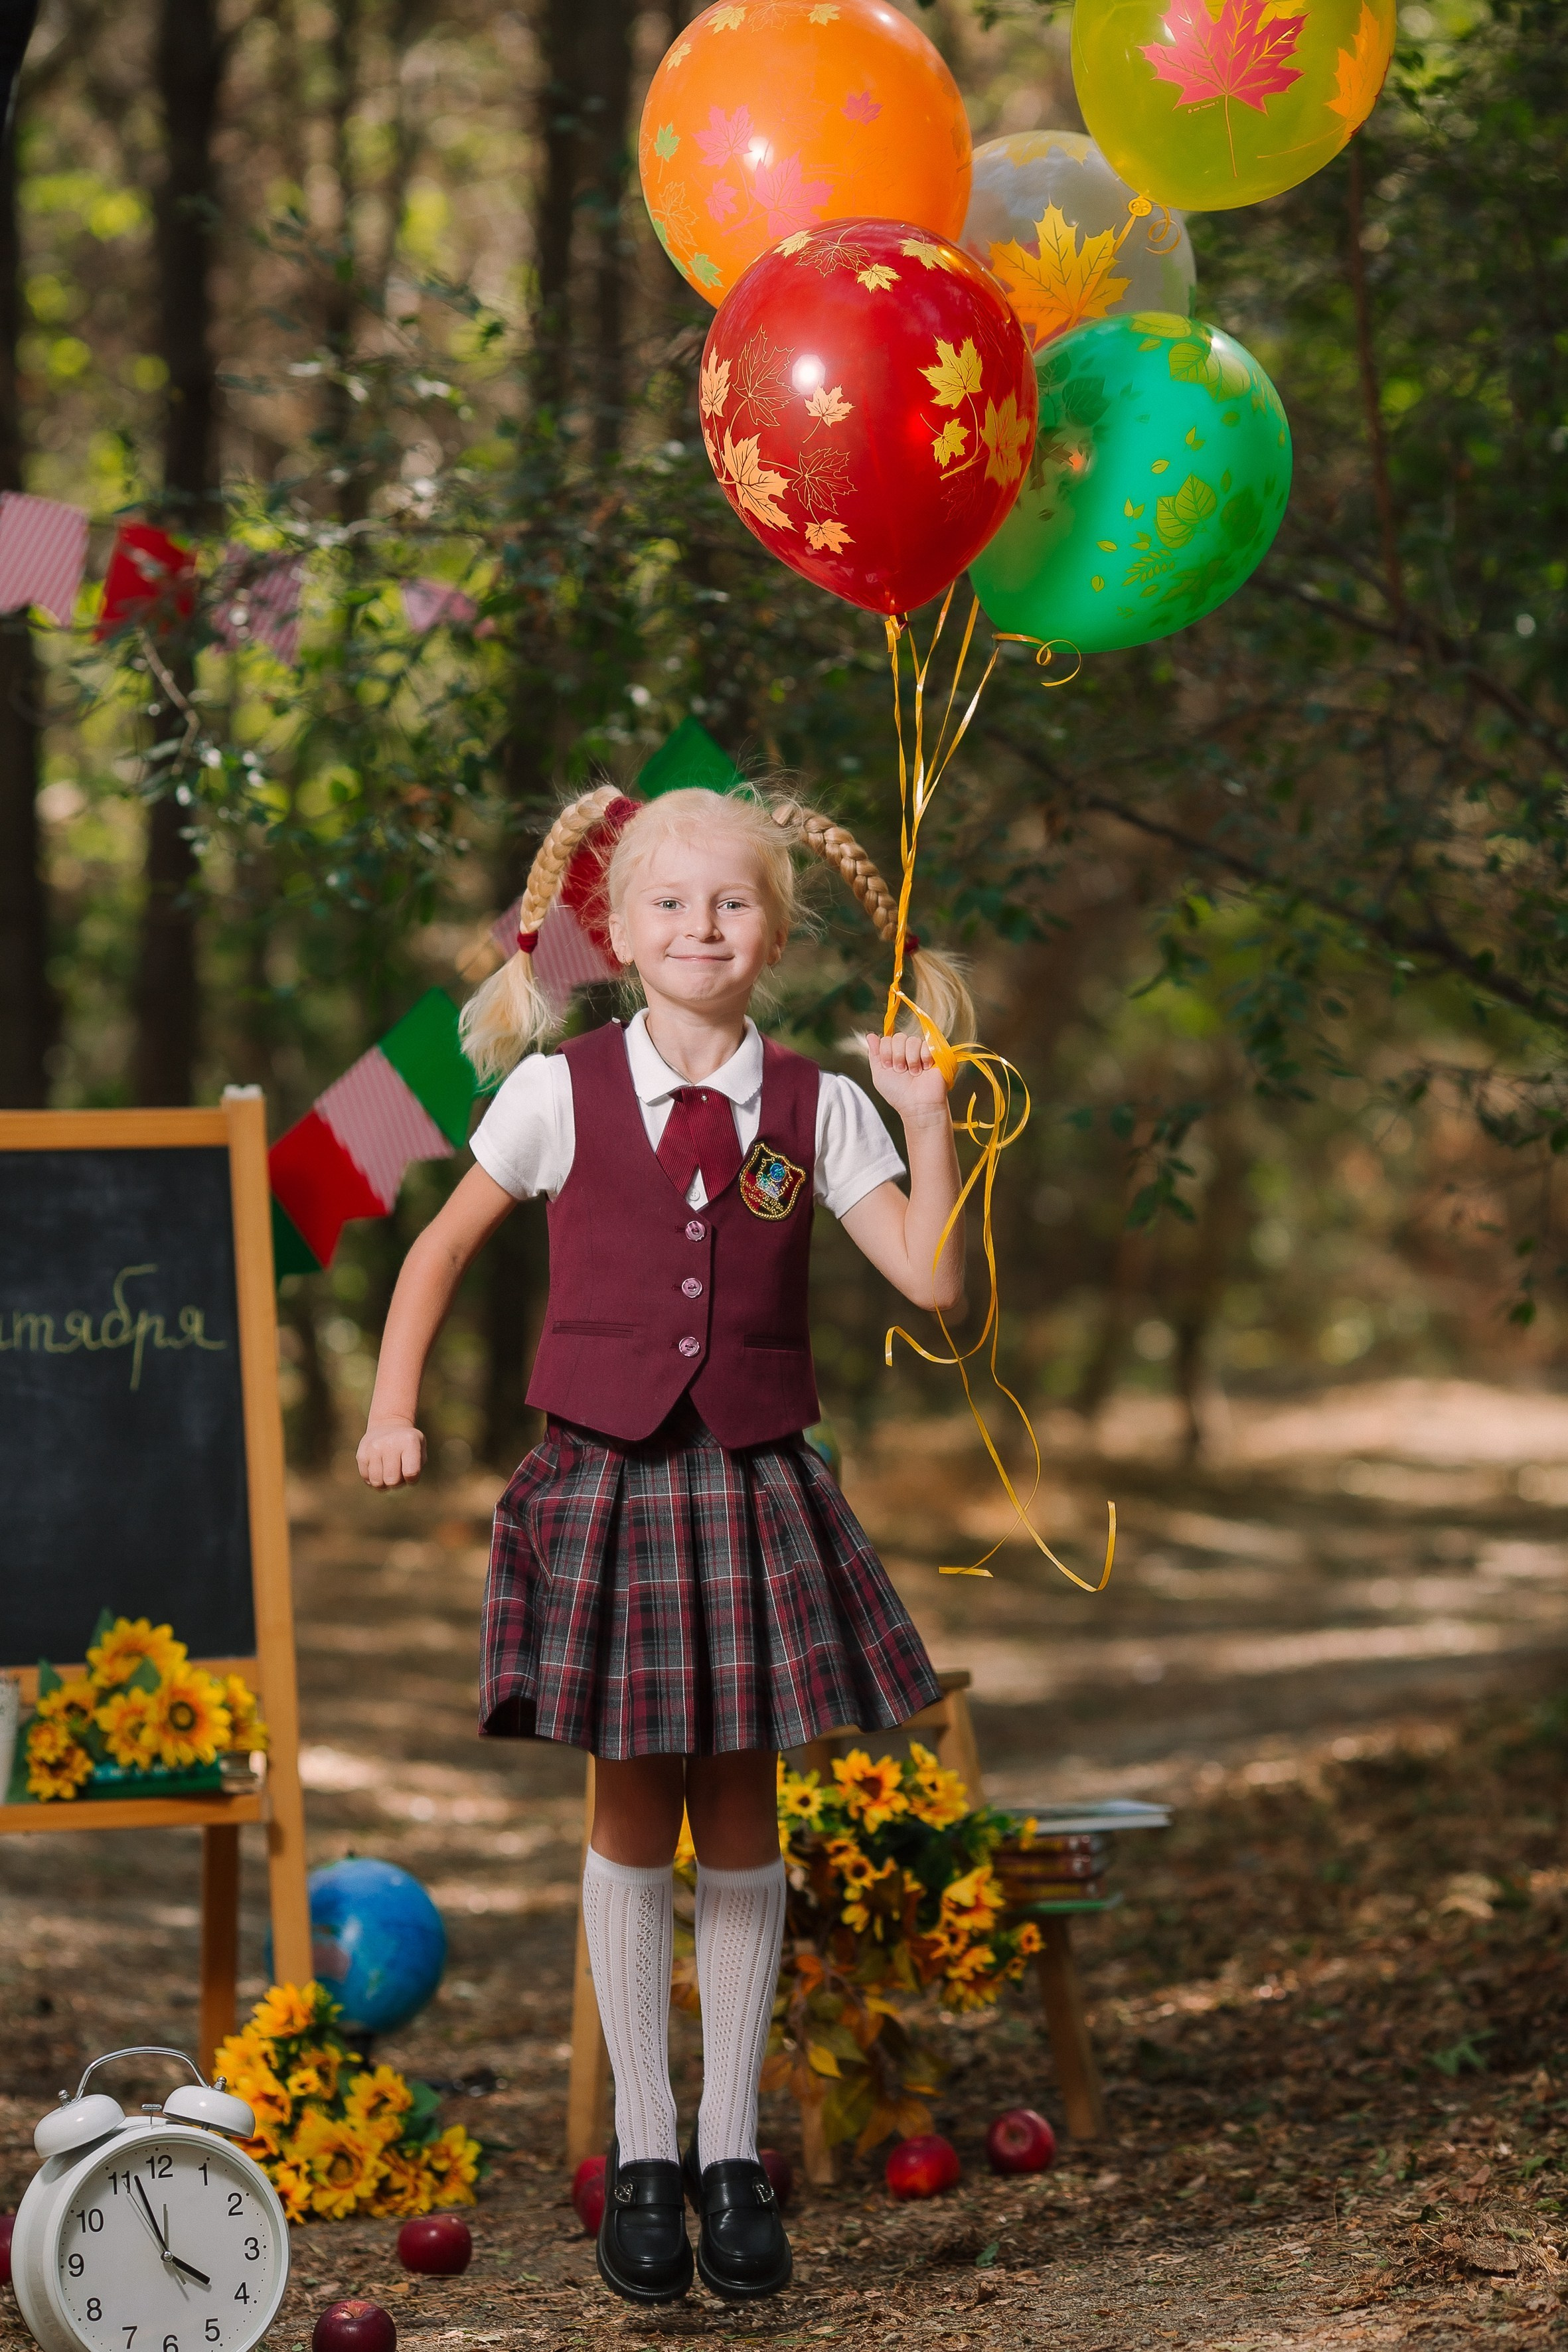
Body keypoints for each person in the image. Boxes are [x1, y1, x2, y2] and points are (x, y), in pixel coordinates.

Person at [357, 785, 969, 2307]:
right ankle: (643, 2149)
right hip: (611, 1482)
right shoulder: (558, 1091)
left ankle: (731, 2155)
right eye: (672, 904)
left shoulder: (814, 1102)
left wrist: (926, 1118)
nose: (703, 926)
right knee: (632, 1807)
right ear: (615, 932)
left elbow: (931, 1280)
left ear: (775, 933)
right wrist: (389, 1406)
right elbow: (436, 1248)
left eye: (733, 904)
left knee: (744, 1810)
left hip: (755, 1488)